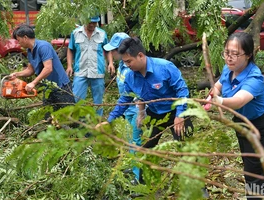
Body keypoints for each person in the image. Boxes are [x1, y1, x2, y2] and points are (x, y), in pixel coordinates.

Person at [97, 37, 190, 184]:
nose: (127, 65)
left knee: (186, 149)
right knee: (145, 149)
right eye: (124, 62)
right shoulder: (131, 77)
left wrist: (180, 115)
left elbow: (182, 91)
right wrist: (109, 121)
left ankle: (198, 188)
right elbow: (124, 101)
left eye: (129, 61)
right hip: (154, 113)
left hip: (175, 112)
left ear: (140, 55)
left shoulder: (165, 67)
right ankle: (142, 184)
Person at [211, 32, 264, 199]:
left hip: (259, 128)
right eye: (227, 53)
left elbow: (239, 101)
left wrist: (220, 101)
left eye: (235, 54)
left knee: (254, 173)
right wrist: (210, 97)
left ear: (248, 55)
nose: (229, 58)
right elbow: (218, 86)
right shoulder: (228, 69)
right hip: (241, 124)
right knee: (252, 168)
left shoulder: (255, 77)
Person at [103, 32, 143, 183]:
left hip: (135, 109)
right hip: (127, 109)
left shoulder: (133, 69)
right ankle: (134, 168)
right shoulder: (122, 65)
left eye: (114, 50)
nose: (112, 53)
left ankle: (139, 177)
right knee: (130, 141)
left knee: (136, 142)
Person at [11, 24, 74, 111]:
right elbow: (30, 70)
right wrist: (17, 74)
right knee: (48, 115)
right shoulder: (29, 50)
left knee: (70, 116)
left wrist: (33, 83)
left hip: (61, 86)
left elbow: (48, 68)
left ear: (25, 37)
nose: (18, 43)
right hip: (48, 87)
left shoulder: (43, 47)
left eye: (19, 40)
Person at [66, 16, 115, 116]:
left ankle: (98, 124)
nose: (92, 25)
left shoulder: (102, 34)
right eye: (90, 22)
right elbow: (70, 49)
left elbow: (107, 50)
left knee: (98, 102)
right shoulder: (75, 33)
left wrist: (110, 63)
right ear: (84, 21)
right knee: (77, 99)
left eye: (95, 23)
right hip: (80, 71)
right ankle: (78, 123)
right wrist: (69, 66)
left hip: (97, 71)